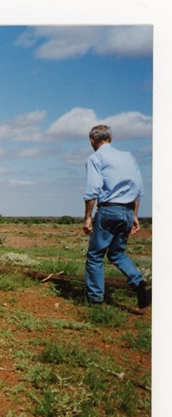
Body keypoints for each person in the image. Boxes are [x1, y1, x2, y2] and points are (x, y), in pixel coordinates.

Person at [82, 124, 150, 308]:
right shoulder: (128, 157)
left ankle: (95, 300)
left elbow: (92, 190)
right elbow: (138, 189)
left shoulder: (95, 158)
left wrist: (88, 217)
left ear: (92, 141)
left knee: (95, 255)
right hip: (127, 210)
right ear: (110, 139)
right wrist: (134, 215)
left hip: (109, 210)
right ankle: (140, 284)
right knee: (117, 253)